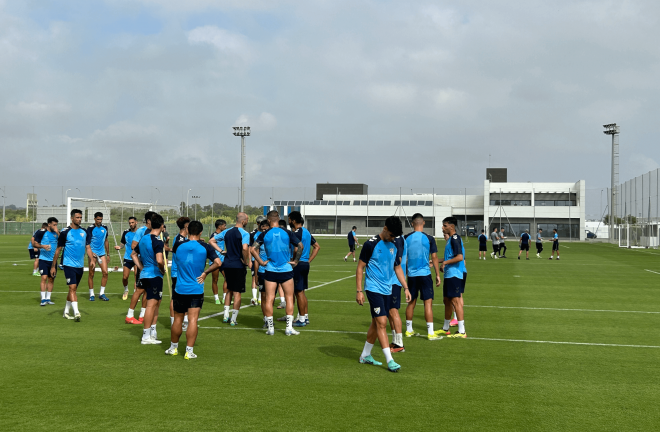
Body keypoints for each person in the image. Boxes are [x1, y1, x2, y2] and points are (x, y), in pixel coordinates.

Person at [356, 216, 410, 372]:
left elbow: (397, 267)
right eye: (392, 235)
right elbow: (360, 268)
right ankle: (390, 360)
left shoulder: (392, 244)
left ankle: (365, 355)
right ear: (385, 228)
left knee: (375, 323)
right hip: (373, 289)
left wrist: (405, 287)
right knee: (382, 323)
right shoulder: (370, 245)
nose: (393, 238)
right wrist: (359, 291)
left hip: (387, 289)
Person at [166, 220, 222, 360]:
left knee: (177, 319)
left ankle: (173, 348)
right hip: (196, 288)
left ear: (188, 230)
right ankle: (189, 351)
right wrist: (205, 273)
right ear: (201, 232)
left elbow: (178, 263)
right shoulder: (205, 247)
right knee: (192, 320)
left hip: (180, 287)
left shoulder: (179, 245)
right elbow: (218, 263)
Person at [251, 210, 304, 336]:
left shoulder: (264, 234)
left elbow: (253, 249)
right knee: (289, 297)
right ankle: (289, 328)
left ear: (268, 220)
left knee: (269, 299)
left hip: (270, 270)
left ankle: (270, 328)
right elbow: (300, 246)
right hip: (286, 269)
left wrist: (261, 262)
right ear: (278, 218)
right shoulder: (287, 232)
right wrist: (296, 261)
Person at [403, 213, 442, 341]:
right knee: (428, 304)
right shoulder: (429, 238)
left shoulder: (406, 238)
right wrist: (437, 274)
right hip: (425, 274)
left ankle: (409, 330)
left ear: (412, 223)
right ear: (423, 222)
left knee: (411, 303)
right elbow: (434, 257)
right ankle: (430, 333)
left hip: (411, 276)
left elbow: (402, 258)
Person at [209, 213, 250, 325]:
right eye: (247, 220)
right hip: (238, 265)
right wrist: (245, 261)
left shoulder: (227, 231)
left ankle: (225, 316)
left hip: (227, 264)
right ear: (243, 221)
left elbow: (211, 241)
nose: (247, 222)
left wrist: (221, 251)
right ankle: (233, 319)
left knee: (229, 291)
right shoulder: (245, 233)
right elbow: (245, 248)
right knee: (237, 293)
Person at [133, 213, 165, 345]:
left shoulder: (144, 238)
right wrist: (162, 269)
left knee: (155, 303)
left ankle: (152, 332)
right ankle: (146, 336)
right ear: (162, 226)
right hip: (154, 275)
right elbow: (159, 260)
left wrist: (142, 267)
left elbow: (133, 254)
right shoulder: (157, 241)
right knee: (151, 305)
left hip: (145, 274)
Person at [51, 209, 87, 322]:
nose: (79, 219)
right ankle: (76, 312)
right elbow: (58, 250)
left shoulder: (84, 232)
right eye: (77, 217)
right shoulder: (65, 232)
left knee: (73, 289)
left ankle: (66, 312)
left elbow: (88, 247)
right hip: (68, 264)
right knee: (72, 288)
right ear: (72, 218)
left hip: (80, 265)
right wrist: (53, 266)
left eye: (81, 217)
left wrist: (92, 258)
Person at [288, 211, 321, 327]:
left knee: (298, 292)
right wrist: (309, 260)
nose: (288, 221)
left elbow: (297, 248)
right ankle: (305, 317)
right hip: (304, 263)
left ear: (292, 220)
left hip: (298, 264)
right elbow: (317, 246)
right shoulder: (306, 232)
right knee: (301, 291)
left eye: (289, 219)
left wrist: (293, 260)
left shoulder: (297, 232)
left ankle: (301, 320)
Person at [126, 211, 155, 324]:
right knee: (139, 290)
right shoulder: (141, 231)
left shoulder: (154, 231)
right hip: (143, 265)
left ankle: (142, 314)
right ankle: (129, 315)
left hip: (151, 266)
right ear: (148, 220)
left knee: (147, 291)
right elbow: (133, 246)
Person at [440, 217, 466, 338]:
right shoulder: (450, 239)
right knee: (447, 301)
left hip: (454, 274)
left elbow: (459, 257)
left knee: (456, 302)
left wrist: (445, 263)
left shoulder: (455, 238)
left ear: (452, 226)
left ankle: (462, 331)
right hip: (449, 274)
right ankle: (446, 328)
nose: (442, 228)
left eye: (445, 225)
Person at [167, 216, 190, 329]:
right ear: (186, 226)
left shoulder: (184, 239)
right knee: (175, 299)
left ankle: (184, 321)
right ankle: (173, 321)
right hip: (178, 273)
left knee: (185, 298)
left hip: (183, 273)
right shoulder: (179, 239)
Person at [32, 217, 59, 306]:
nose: (55, 226)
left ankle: (48, 298)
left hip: (53, 261)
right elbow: (34, 243)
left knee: (51, 279)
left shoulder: (56, 234)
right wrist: (42, 246)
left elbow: (63, 240)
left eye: (56, 225)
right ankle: (43, 299)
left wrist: (57, 231)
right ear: (49, 224)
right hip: (43, 259)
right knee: (44, 278)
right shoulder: (41, 232)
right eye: (54, 225)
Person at [388, 233, 407, 352]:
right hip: (391, 280)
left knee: (393, 311)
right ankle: (395, 341)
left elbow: (398, 260)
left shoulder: (398, 239)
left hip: (394, 280)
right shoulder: (399, 238)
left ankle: (399, 344)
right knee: (390, 312)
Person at [85, 212, 110, 301]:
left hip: (102, 253)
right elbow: (87, 243)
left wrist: (108, 254)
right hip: (93, 254)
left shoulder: (105, 228)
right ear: (95, 219)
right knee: (91, 274)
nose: (99, 221)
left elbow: (106, 241)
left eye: (101, 219)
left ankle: (102, 293)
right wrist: (91, 254)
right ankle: (91, 294)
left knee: (105, 272)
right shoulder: (90, 228)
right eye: (98, 219)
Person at [115, 217, 138, 301]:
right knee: (125, 277)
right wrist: (119, 247)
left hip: (137, 258)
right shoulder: (126, 232)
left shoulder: (139, 232)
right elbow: (122, 243)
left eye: (132, 222)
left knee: (137, 276)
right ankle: (126, 290)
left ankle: (136, 293)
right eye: (129, 223)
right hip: (127, 258)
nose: (131, 224)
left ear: (136, 222)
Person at [252, 219, 270, 323]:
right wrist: (256, 274)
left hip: (273, 271)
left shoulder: (273, 238)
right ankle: (265, 318)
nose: (264, 231)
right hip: (262, 271)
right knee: (263, 296)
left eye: (266, 229)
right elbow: (255, 256)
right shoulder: (258, 239)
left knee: (271, 296)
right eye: (262, 229)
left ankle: (269, 316)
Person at [209, 219, 227, 305]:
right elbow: (211, 248)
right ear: (219, 226)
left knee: (227, 278)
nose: (225, 227)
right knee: (215, 280)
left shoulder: (222, 235)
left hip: (223, 261)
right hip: (215, 261)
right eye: (224, 225)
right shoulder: (214, 236)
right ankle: (216, 298)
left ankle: (224, 298)